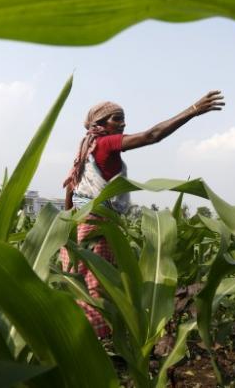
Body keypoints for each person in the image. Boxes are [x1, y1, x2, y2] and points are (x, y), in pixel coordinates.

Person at [60, 90, 224, 337]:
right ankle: (95, 343)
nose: (123, 123)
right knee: (98, 290)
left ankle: (79, 336)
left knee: (83, 285)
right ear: (101, 124)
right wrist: (193, 110)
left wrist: (67, 223)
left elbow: (72, 187)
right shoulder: (104, 143)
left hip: (79, 222)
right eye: (117, 118)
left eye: (123, 118)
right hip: (96, 223)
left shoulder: (86, 147)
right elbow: (152, 136)